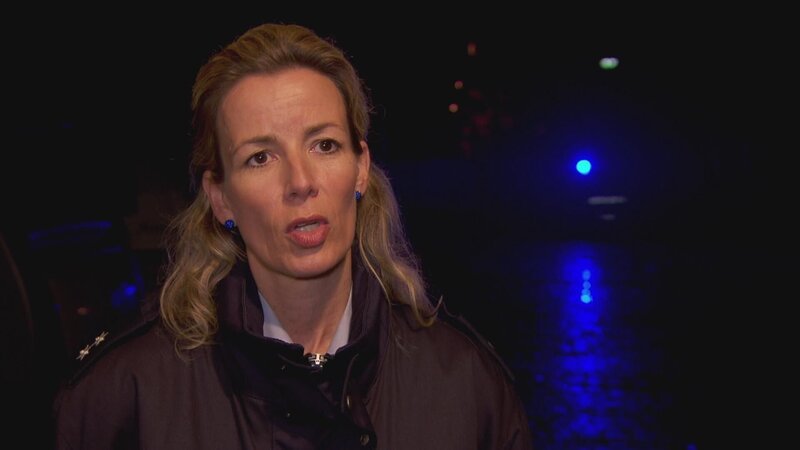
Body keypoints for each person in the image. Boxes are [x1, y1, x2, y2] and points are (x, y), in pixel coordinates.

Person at [52, 22, 533, 449]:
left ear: (360, 168)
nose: (301, 182)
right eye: (260, 157)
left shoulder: (465, 382)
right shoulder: (125, 396)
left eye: (324, 145)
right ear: (221, 197)